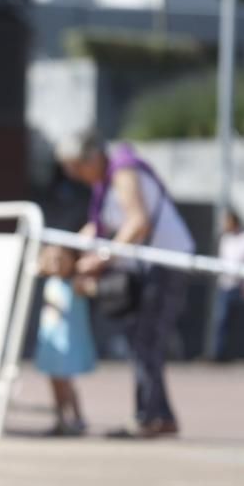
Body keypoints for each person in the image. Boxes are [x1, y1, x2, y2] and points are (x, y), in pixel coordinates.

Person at [57, 129, 194, 439]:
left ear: (91, 157)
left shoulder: (122, 172)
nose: (75, 175)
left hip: (164, 265)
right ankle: (157, 415)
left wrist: (102, 259)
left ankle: (150, 416)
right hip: (146, 267)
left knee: (146, 340)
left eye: (76, 167)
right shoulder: (104, 183)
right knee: (141, 341)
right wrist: (68, 248)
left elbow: (137, 222)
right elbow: (101, 226)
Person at [34, 245, 96, 436]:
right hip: (52, 342)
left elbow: (92, 288)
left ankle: (77, 418)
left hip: (68, 343)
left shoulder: (74, 283)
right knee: (55, 383)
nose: (56, 264)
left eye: (61, 260)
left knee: (67, 384)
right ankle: (61, 418)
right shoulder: (50, 281)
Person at [213, 208, 244, 362]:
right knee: (221, 321)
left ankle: (241, 354)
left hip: (240, 287)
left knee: (240, 323)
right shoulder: (225, 239)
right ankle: (220, 355)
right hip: (225, 286)